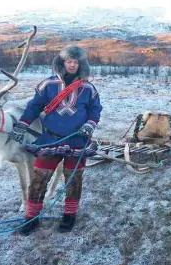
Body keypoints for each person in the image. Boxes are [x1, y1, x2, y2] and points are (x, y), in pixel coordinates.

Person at [8, 45, 102, 235]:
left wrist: (90, 124)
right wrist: (22, 124)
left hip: (77, 141)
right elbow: (34, 107)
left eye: (76, 62)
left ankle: (69, 215)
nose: (72, 65)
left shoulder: (88, 88)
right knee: (39, 178)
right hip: (50, 140)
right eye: (69, 61)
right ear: (62, 63)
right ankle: (32, 217)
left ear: (81, 64)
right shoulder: (48, 85)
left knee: (73, 179)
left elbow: (95, 110)